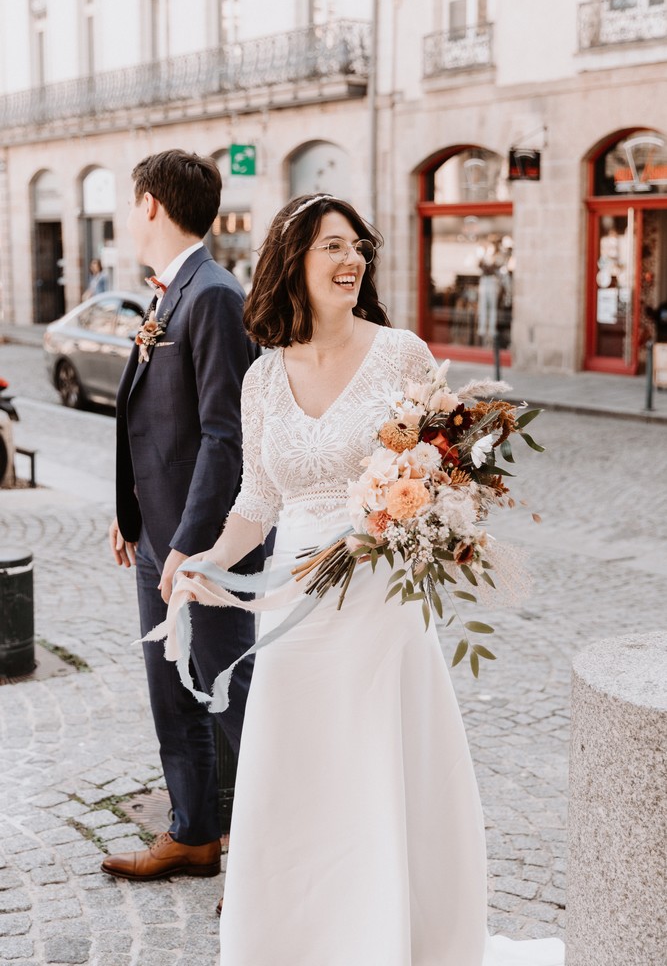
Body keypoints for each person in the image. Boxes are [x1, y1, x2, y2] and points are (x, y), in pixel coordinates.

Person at [179, 194, 565, 964]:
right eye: (332, 246)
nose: (352, 259)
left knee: (377, 767)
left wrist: (395, 524)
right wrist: (209, 561)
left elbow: (449, 476)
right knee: (299, 772)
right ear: (292, 261)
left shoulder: (401, 355)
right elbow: (257, 500)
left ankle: (391, 940)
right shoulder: (260, 379)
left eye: (358, 246)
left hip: (382, 601)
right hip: (293, 605)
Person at [103, 149, 263, 884]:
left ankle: (275, 857)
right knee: (170, 694)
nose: (124, 214)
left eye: (126, 201)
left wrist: (194, 545)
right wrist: (131, 515)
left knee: (230, 694)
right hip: (155, 537)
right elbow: (152, 422)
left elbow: (224, 435)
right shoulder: (172, 293)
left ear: (149, 206)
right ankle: (192, 833)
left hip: (204, 549)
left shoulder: (214, 296)